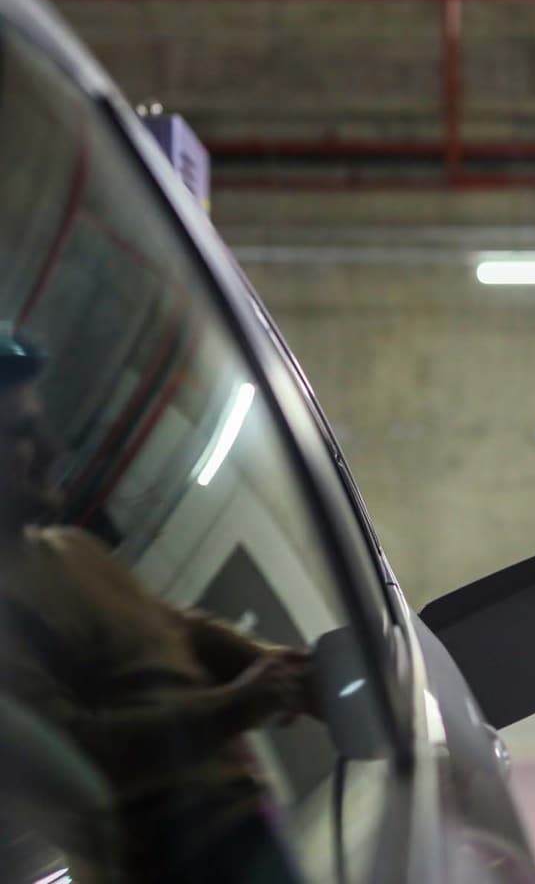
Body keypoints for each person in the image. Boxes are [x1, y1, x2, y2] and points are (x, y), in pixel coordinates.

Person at [0, 331, 316, 882]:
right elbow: (81, 752)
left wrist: (287, 670)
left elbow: (179, 632)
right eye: (21, 433)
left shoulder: (74, 550)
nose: (52, 448)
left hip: (248, 838)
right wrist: (239, 705)